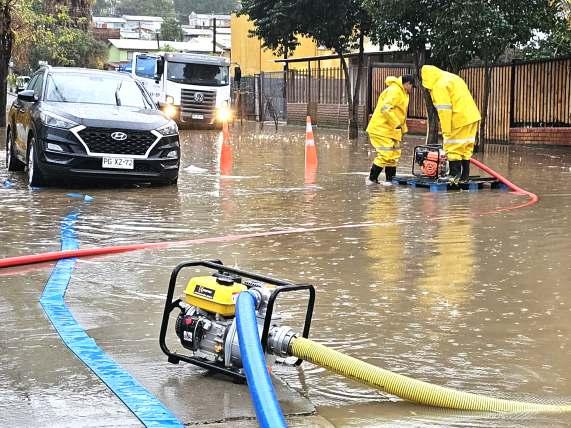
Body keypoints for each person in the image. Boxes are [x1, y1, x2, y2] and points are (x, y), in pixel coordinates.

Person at [420, 65, 481, 184]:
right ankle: (464, 176)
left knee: (453, 147)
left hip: (458, 118)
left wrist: (446, 129)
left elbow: (444, 109)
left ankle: (454, 175)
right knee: (465, 148)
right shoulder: (452, 78)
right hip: (471, 116)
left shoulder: (439, 85)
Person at [366, 75, 415, 186]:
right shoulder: (395, 90)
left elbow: (401, 114)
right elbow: (385, 109)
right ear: (407, 83)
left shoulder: (403, 93)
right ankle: (372, 180)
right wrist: (396, 124)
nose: (412, 89)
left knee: (394, 156)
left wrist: (403, 129)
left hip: (391, 130)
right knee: (385, 154)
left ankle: (390, 182)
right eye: (412, 86)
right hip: (381, 129)